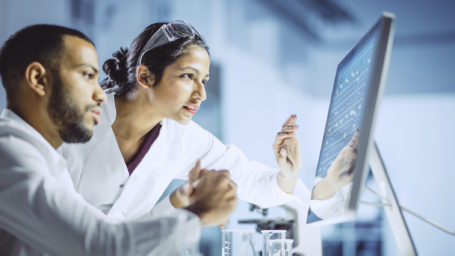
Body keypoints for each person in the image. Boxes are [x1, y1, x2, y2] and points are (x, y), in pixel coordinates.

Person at [0, 24, 237, 256]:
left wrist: (178, 203)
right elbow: (101, 246)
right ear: (38, 79)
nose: (100, 93)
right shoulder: (8, 154)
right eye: (86, 75)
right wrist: (199, 213)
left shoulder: (44, 159)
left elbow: (110, 233)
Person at [59, 20, 310, 222]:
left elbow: (252, 181)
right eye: (188, 76)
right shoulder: (72, 121)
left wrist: (287, 173)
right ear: (145, 76)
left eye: (204, 80)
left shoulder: (182, 137)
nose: (200, 94)